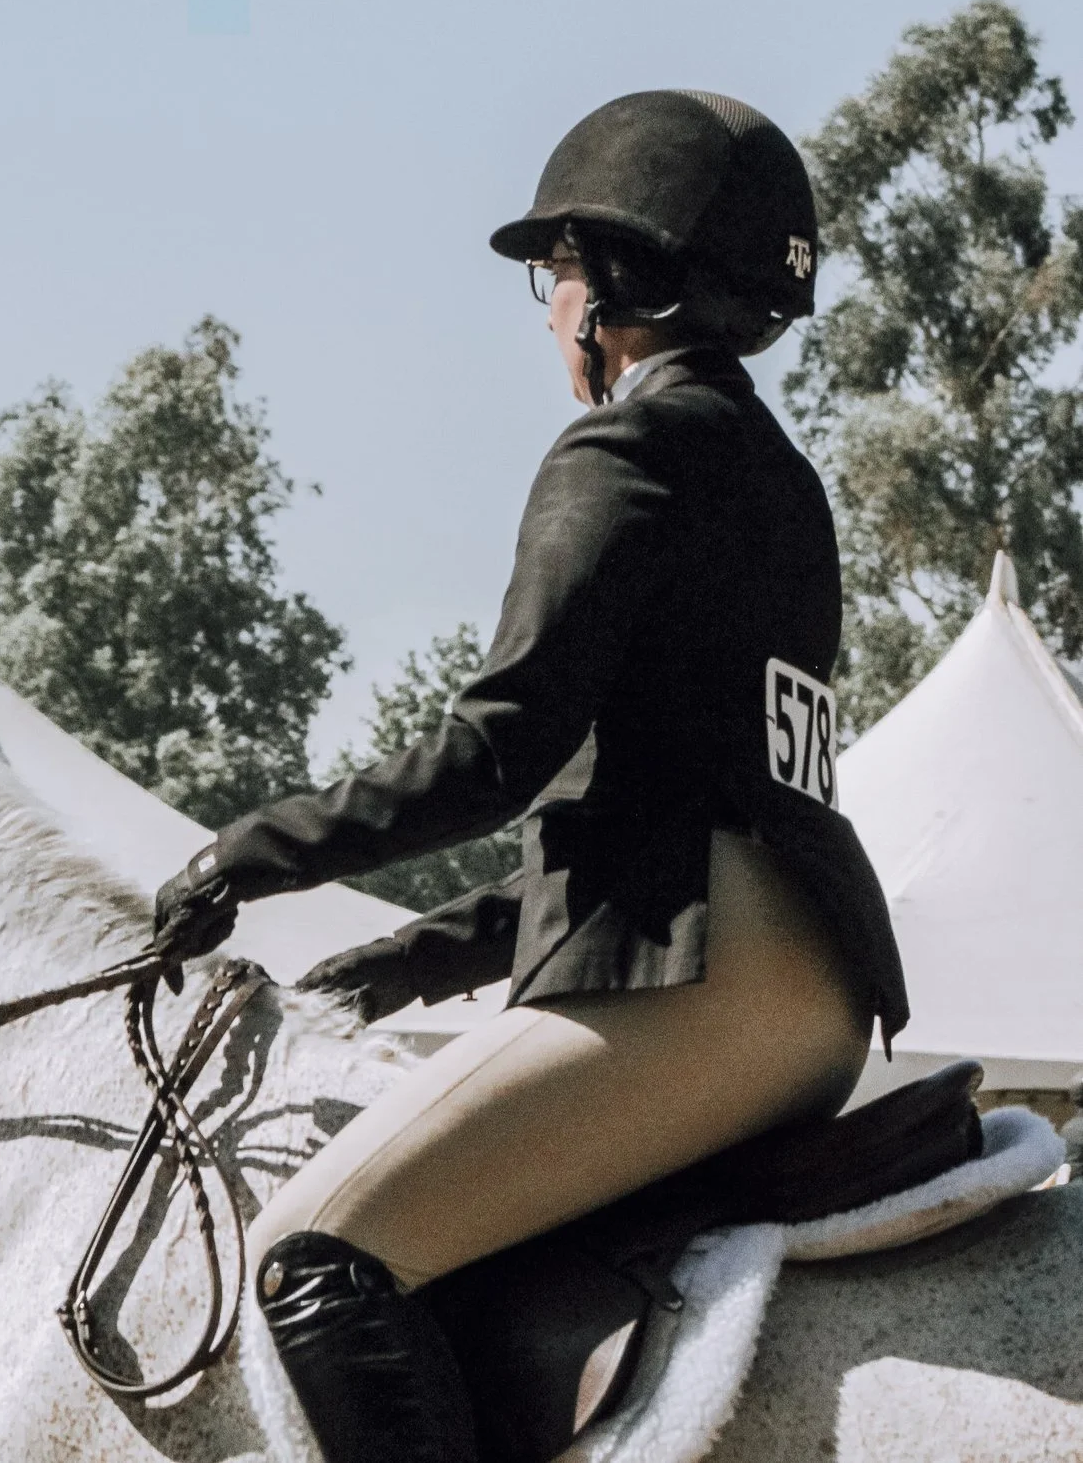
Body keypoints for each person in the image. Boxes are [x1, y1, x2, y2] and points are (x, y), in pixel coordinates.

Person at [151, 90, 908, 1463]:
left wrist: (244, 854)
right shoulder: (785, 485)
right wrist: (409, 958)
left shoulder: (624, 449)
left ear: (622, 274)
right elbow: (669, 807)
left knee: (316, 1249)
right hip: (813, 998)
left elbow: (496, 752)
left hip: (697, 993)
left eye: (556, 270)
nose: (553, 303)